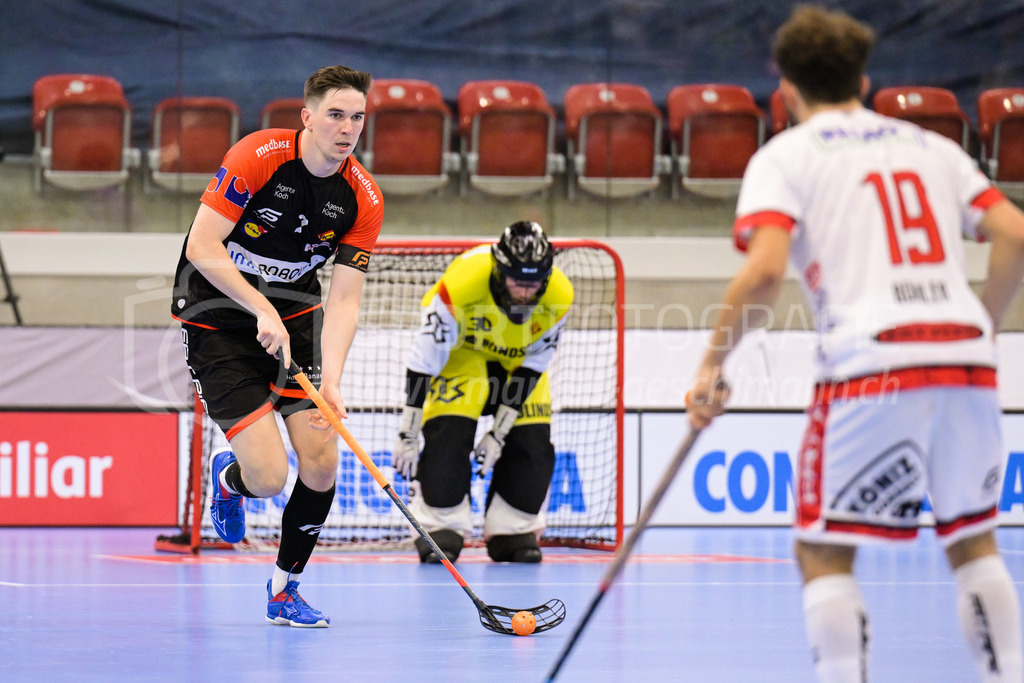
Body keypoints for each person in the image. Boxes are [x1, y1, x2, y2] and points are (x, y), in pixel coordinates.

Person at [686, 6, 1024, 682]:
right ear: (864, 80)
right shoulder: (931, 146)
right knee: (972, 538)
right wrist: (981, 324)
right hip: (966, 358)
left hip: (872, 361)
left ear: (784, 86)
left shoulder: (783, 157)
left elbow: (765, 271)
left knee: (824, 547)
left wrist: (711, 366)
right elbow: (1013, 232)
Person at [171, 65, 383, 627]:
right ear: (308, 116)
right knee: (267, 478)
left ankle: (285, 590)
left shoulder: (362, 199)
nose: (347, 128)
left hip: (297, 318)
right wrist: (259, 307)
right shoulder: (258, 157)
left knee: (319, 460)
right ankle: (230, 478)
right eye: (335, 115)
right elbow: (202, 244)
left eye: (357, 117)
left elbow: (344, 302)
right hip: (218, 311)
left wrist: (332, 380)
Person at [392, 221, 573, 564]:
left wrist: (499, 434)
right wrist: (409, 431)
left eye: (533, 284)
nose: (524, 293)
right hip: (462, 358)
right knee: (448, 439)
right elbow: (424, 362)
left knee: (533, 447)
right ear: (499, 270)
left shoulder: (560, 297)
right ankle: (440, 525)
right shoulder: (460, 285)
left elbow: (532, 368)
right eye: (517, 282)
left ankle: (512, 529)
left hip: (517, 365)